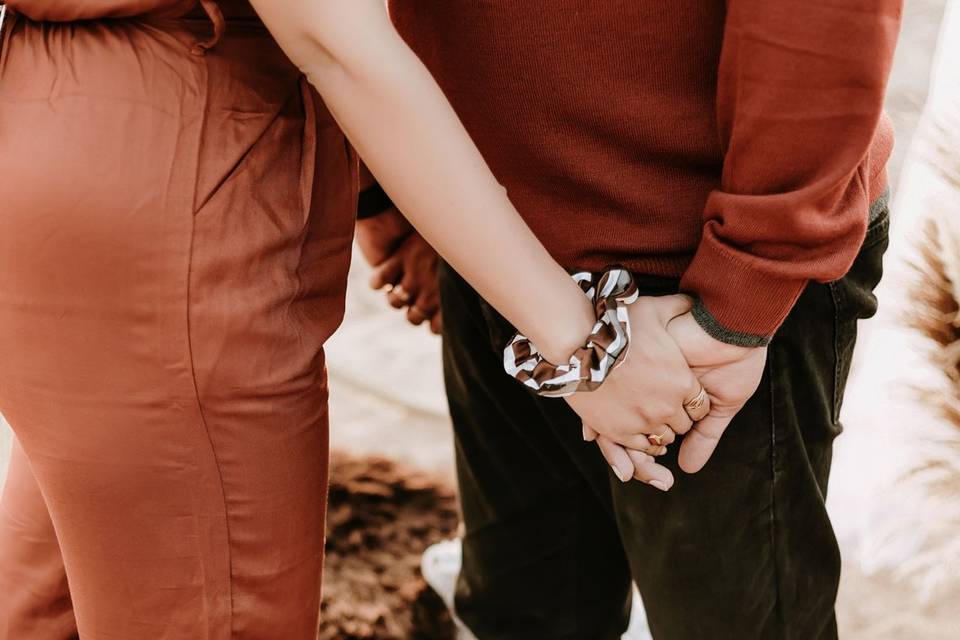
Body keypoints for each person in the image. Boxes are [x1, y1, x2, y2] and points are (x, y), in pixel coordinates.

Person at [0, 0, 704, 638]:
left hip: (62, 141)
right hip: (172, 197)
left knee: (53, 600)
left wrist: (370, 200)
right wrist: (581, 342)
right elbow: (340, 45)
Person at [358, 1, 902, 638]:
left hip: (700, 278)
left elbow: (825, 23)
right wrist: (392, 195)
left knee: (731, 624)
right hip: (486, 229)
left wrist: (740, 303)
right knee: (521, 602)